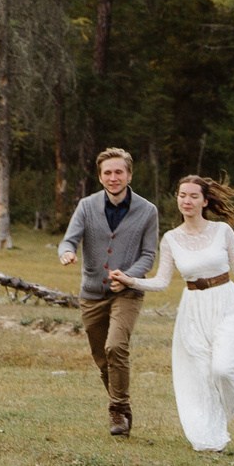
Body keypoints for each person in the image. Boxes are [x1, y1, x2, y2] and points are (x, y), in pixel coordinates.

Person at [112, 174, 234, 452]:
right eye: (182, 195)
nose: (187, 200)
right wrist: (131, 280)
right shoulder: (171, 239)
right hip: (193, 309)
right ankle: (211, 440)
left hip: (225, 303)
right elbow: (161, 281)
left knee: (221, 367)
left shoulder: (222, 231)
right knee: (201, 377)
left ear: (205, 201)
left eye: (194, 196)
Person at [58, 147, 159, 437]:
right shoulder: (86, 206)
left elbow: (149, 255)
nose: (113, 178)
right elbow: (69, 240)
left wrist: (130, 277)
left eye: (118, 172)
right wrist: (66, 253)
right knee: (102, 358)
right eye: (107, 173)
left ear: (128, 174)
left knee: (116, 347)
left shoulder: (148, 211)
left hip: (127, 293)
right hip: (91, 293)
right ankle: (123, 409)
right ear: (100, 177)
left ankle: (117, 410)